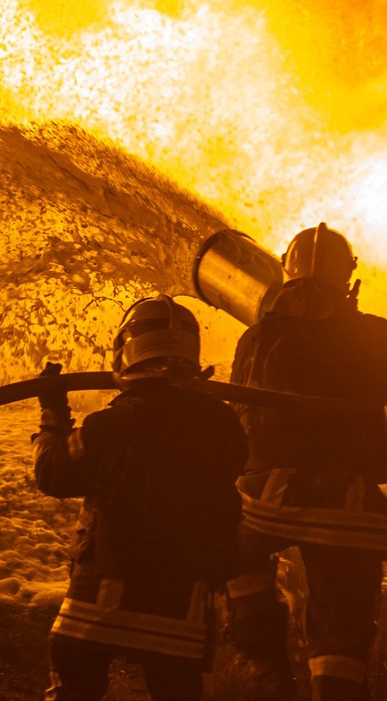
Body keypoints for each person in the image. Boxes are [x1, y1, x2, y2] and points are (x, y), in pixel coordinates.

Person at [222, 224, 387, 701]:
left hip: (262, 504)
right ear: (347, 278)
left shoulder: (255, 337)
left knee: (235, 558)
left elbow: (242, 424)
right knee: (341, 644)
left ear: (288, 273)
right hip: (347, 510)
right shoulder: (373, 333)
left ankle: (264, 665)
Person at [34, 295, 248, 701]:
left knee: (74, 683)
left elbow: (54, 474)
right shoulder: (222, 422)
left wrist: (52, 413)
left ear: (125, 353)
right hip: (184, 595)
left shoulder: (113, 423)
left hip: (107, 585)